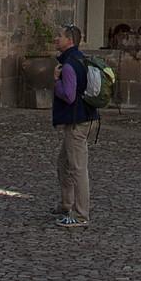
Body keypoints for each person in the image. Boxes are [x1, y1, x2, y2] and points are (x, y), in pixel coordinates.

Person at [53, 24, 96, 227]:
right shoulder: (79, 59)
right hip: (82, 118)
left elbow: (69, 96)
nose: (55, 39)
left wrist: (56, 82)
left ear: (69, 40)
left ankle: (81, 214)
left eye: (59, 36)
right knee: (64, 162)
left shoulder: (69, 65)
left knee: (78, 167)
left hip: (77, 121)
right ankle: (66, 204)